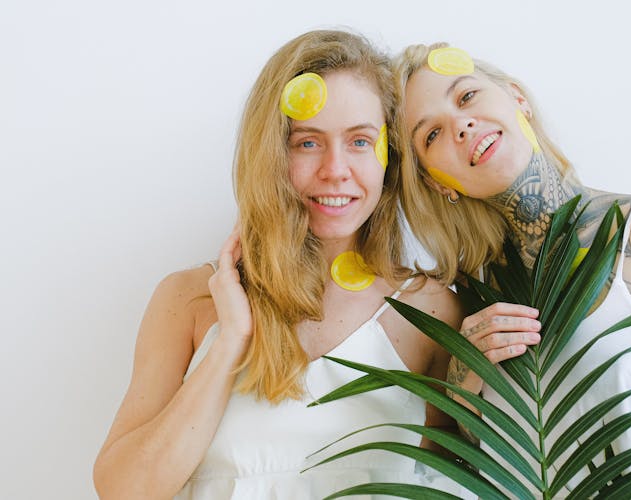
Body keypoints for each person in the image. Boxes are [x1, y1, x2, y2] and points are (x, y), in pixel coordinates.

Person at [92, 30, 465, 499]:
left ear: (388, 157)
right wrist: (230, 342)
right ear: (269, 153)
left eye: (359, 141)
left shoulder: (427, 312)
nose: (335, 169)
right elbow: (125, 490)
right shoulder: (188, 300)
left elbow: (448, 482)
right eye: (307, 143)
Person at [393, 43, 631, 497]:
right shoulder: (466, 295)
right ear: (435, 182)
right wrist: (464, 374)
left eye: (466, 97)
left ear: (516, 99)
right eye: (432, 135)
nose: (461, 125)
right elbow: (469, 467)